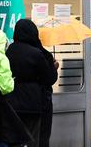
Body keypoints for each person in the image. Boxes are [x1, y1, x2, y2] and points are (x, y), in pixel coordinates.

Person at [5, 19, 58, 147]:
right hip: (33, 101)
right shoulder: (37, 53)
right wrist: (53, 67)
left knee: (15, 139)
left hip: (12, 100)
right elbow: (49, 79)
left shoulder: (9, 51)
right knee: (35, 138)